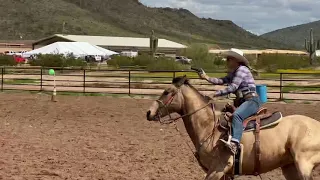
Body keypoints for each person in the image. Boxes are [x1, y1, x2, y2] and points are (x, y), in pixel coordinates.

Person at [198, 48, 262, 154]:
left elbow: (233, 87)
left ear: (236, 60)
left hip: (251, 100)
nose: (227, 61)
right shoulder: (235, 72)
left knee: (236, 116)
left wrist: (215, 94)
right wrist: (206, 77)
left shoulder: (241, 70)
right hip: (243, 101)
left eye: (229, 59)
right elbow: (222, 80)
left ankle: (234, 144)